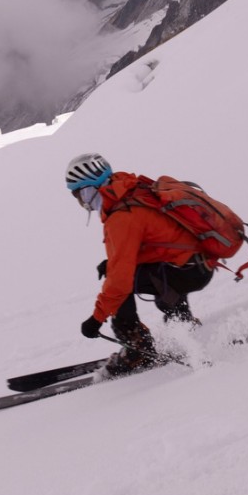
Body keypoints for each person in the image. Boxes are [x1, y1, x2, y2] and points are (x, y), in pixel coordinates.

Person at [65, 152, 214, 376]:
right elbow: (158, 241)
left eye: (77, 193)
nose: (79, 201)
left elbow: (119, 283)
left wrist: (95, 320)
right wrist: (113, 262)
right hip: (199, 263)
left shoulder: (121, 215)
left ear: (88, 190)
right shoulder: (131, 191)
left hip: (189, 271)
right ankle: (182, 322)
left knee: (118, 283)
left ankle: (138, 350)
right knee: (129, 271)